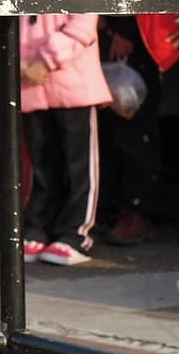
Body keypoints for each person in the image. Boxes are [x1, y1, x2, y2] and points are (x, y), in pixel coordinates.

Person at [18, 14, 110, 266]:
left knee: (79, 165)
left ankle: (75, 234)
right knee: (40, 163)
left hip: (72, 81)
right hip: (30, 82)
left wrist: (45, 60)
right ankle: (38, 227)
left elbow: (83, 24)